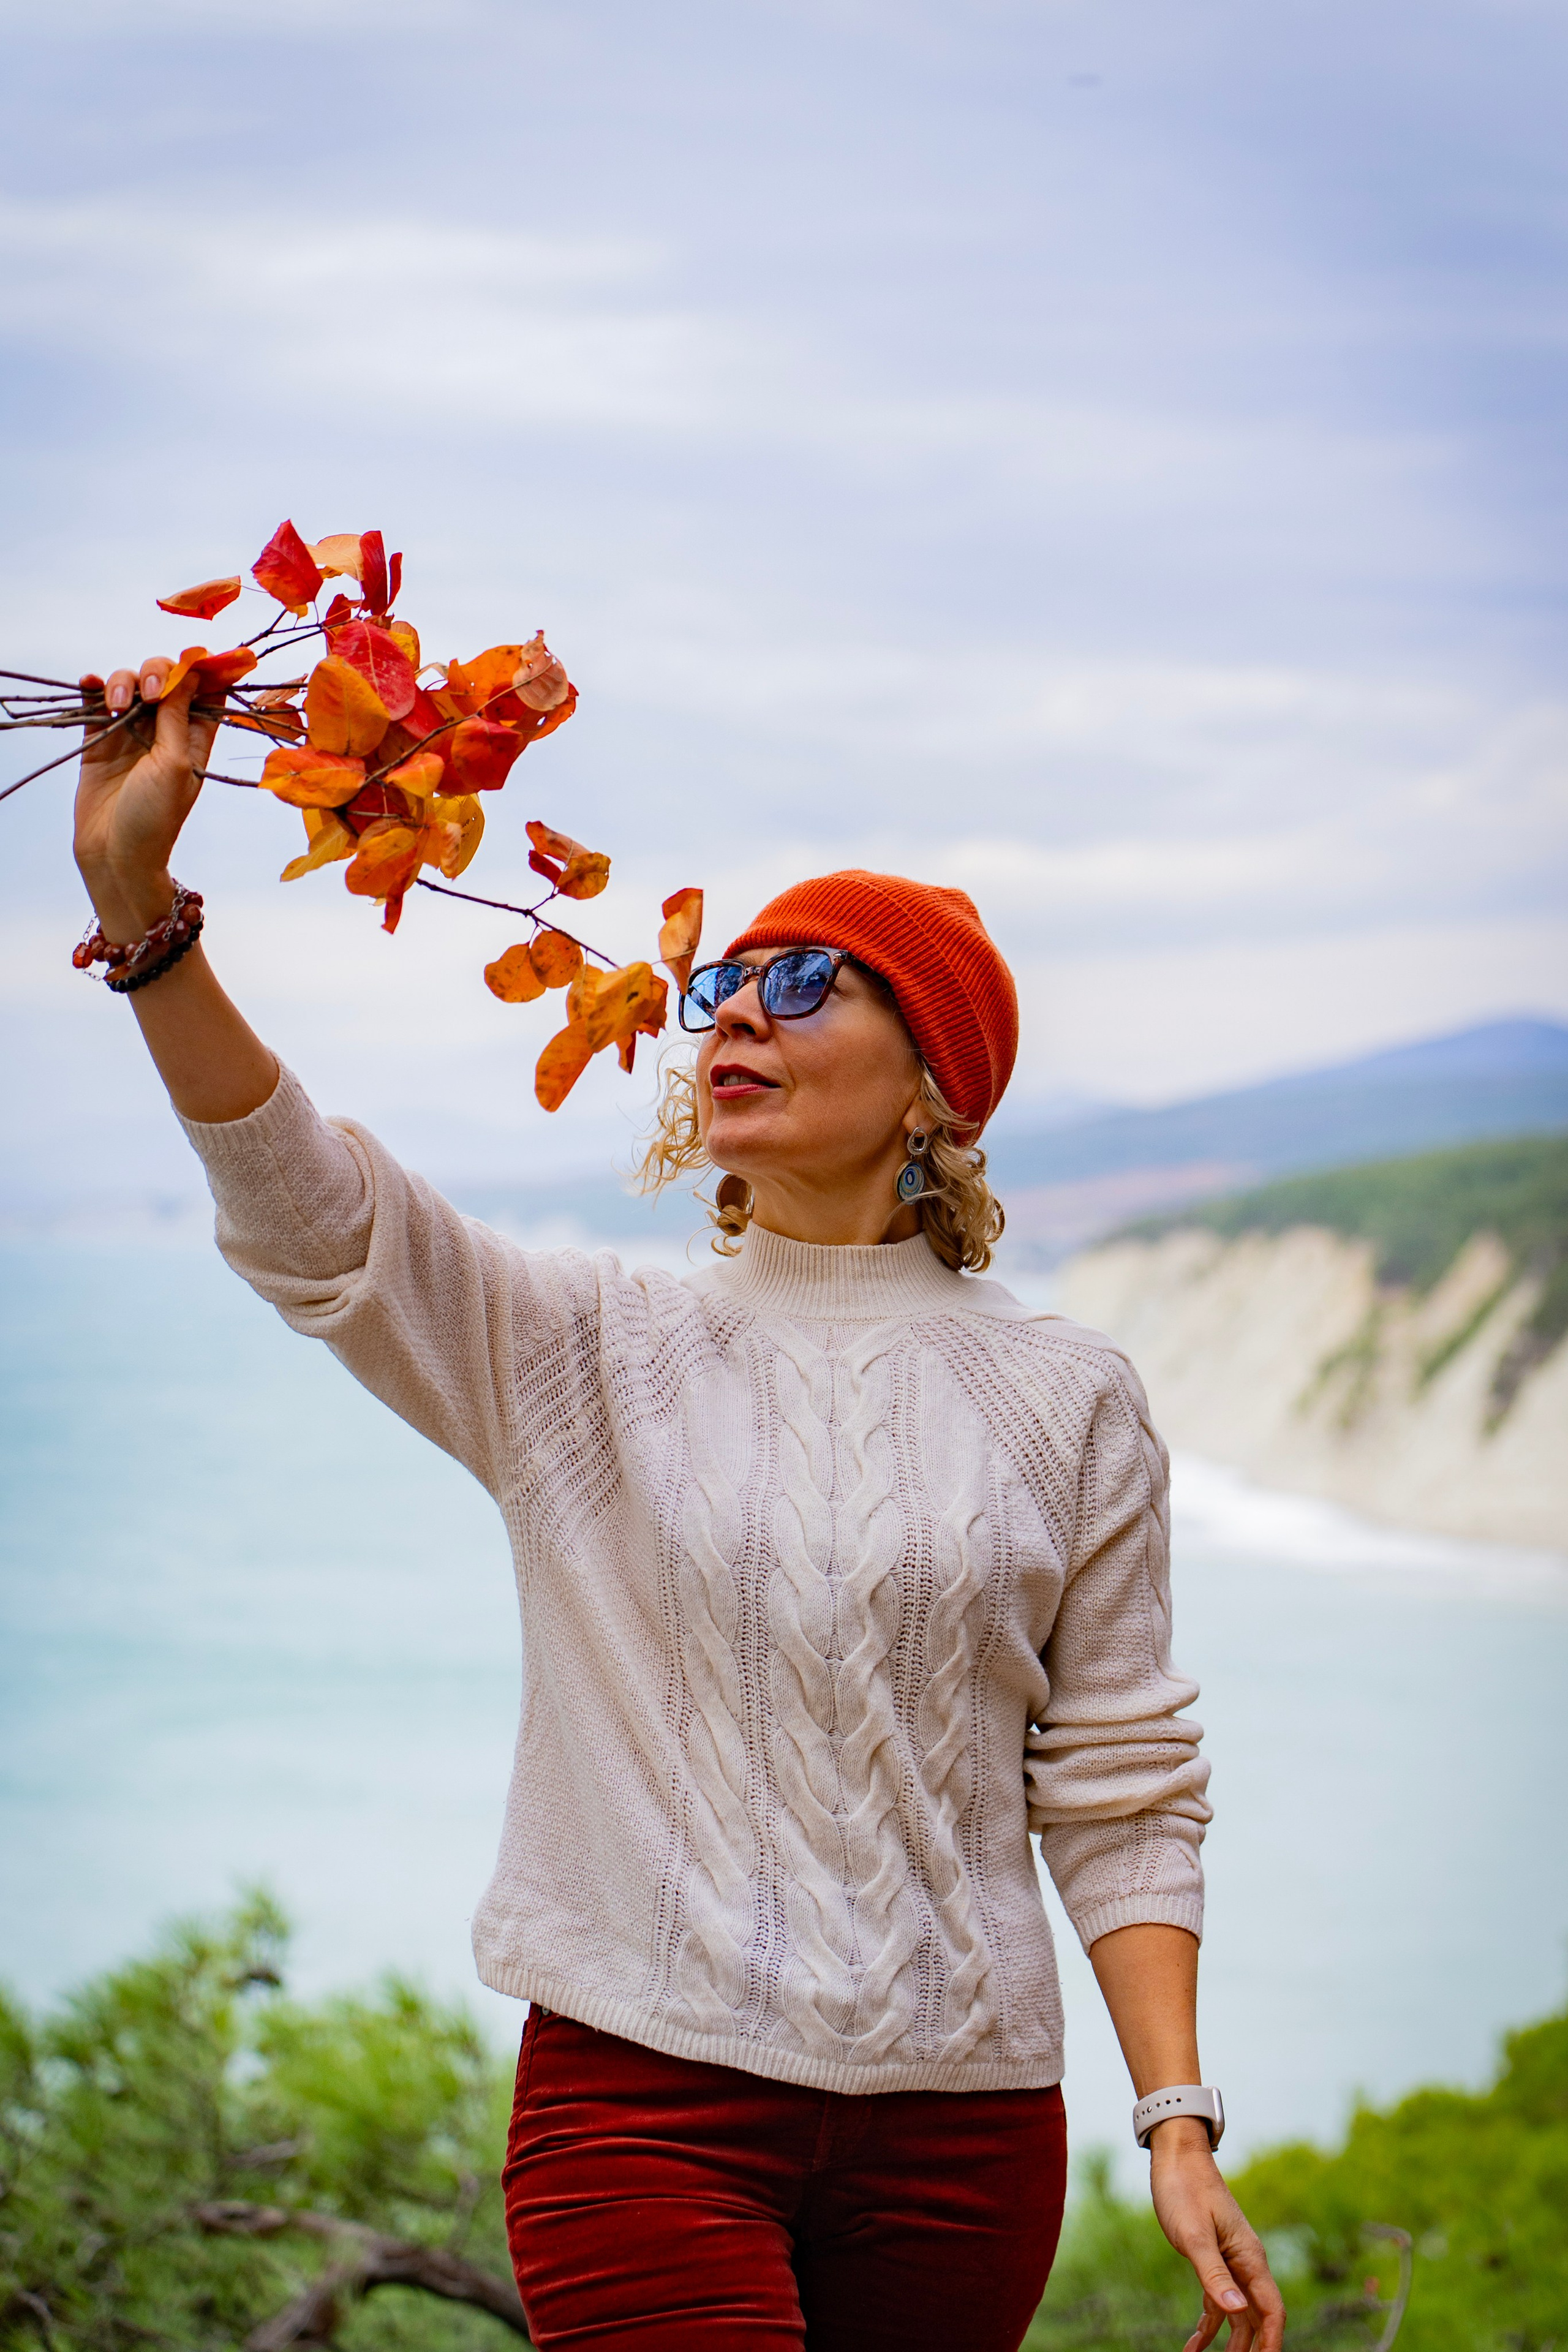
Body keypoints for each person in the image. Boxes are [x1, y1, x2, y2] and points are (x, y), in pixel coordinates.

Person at [72, 656, 1286, 2352]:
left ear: (937, 1084)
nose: (733, 1012)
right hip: (644, 2109)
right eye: (724, 982)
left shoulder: (1069, 1396)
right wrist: (146, 915)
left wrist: (1178, 2122)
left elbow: (1121, 1779)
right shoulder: (585, 1347)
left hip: (967, 2136)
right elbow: (312, 1217)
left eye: (804, 984)